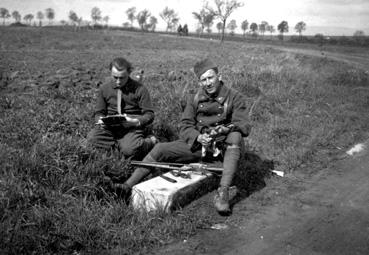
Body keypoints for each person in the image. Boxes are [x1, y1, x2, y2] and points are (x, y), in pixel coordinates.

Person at [120, 58, 251, 214]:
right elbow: (184, 126)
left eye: (211, 78)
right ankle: (126, 187)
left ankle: (223, 193)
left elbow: (243, 125)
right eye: (203, 80)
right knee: (161, 148)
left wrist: (223, 130)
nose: (208, 83)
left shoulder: (234, 97)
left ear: (219, 76)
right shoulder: (195, 99)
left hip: (226, 150)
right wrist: (198, 137)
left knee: (235, 136)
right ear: (199, 82)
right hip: (201, 146)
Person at [86, 57, 157, 160]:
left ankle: (150, 141)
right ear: (110, 73)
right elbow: (98, 112)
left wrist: (135, 122)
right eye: (115, 77)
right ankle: (120, 145)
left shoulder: (140, 89)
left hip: (130, 127)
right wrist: (100, 120)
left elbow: (149, 114)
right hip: (109, 128)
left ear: (129, 73)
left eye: (122, 78)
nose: (118, 81)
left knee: (130, 151)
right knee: (92, 139)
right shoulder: (104, 89)